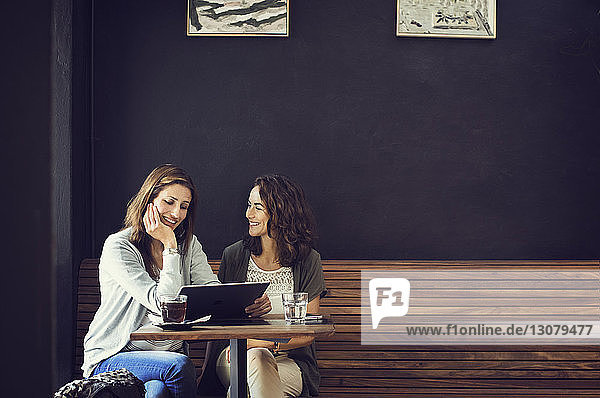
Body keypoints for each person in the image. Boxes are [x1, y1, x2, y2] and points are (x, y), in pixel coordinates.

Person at [82, 164, 271, 398]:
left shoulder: (189, 244)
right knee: (179, 366)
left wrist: (243, 303)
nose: (176, 214)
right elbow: (165, 304)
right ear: (148, 199)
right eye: (169, 202)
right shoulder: (119, 246)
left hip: (163, 359)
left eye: (184, 206)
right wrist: (169, 247)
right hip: (114, 356)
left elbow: (210, 289)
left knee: (157, 392)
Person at [198, 174, 326, 398]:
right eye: (249, 205)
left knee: (241, 391)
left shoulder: (308, 260)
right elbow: (216, 320)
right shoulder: (235, 255)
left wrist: (259, 342)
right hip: (233, 357)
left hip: (289, 362)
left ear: (281, 211)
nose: (249, 214)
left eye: (258, 207)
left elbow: (309, 332)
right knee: (257, 358)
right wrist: (205, 371)